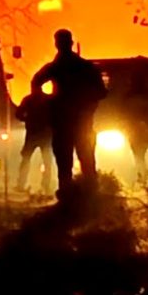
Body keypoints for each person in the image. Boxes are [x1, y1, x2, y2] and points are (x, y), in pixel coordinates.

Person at [32, 29, 108, 201]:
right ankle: (89, 194)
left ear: (57, 44)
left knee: (65, 163)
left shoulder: (55, 68)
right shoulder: (85, 67)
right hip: (80, 122)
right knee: (86, 159)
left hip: (64, 122)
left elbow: (36, 83)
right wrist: (87, 104)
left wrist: (47, 101)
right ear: (71, 43)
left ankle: (69, 195)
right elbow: (102, 92)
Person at [15, 75, 55, 195]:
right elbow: (19, 114)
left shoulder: (29, 100)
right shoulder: (47, 100)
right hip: (43, 134)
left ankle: (22, 183)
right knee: (46, 161)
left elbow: (18, 114)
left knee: (28, 159)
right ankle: (45, 185)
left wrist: (26, 119)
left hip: (35, 134)